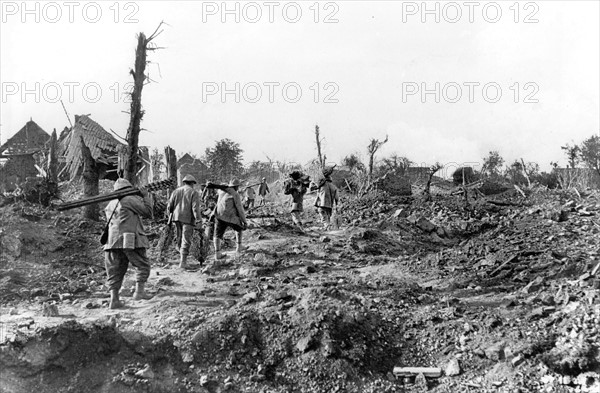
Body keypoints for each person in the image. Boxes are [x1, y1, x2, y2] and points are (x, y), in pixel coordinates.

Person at [104, 178, 153, 309]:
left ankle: (114, 300)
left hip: (112, 242)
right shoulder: (129, 200)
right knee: (142, 265)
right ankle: (139, 293)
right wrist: (146, 196)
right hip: (130, 239)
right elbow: (148, 212)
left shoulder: (110, 203)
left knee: (115, 271)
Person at [206, 179, 248, 260]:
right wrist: (244, 221)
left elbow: (219, 197)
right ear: (236, 186)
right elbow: (240, 208)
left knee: (217, 234)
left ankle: (217, 253)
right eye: (237, 186)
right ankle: (239, 247)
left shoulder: (221, 192)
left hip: (219, 216)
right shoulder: (235, 194)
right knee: (239, 228)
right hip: (230, 216)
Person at [167, 174, 202, 269]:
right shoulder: (194, 192)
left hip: (176, 218)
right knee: (186, 239)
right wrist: (198, 220)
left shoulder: (175, 191)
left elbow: (169, 206)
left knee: (178, 238)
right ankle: (183, 262)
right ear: (192, 183)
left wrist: (170, 216)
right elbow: (195, 208)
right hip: (188, 219)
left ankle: (181, 259)